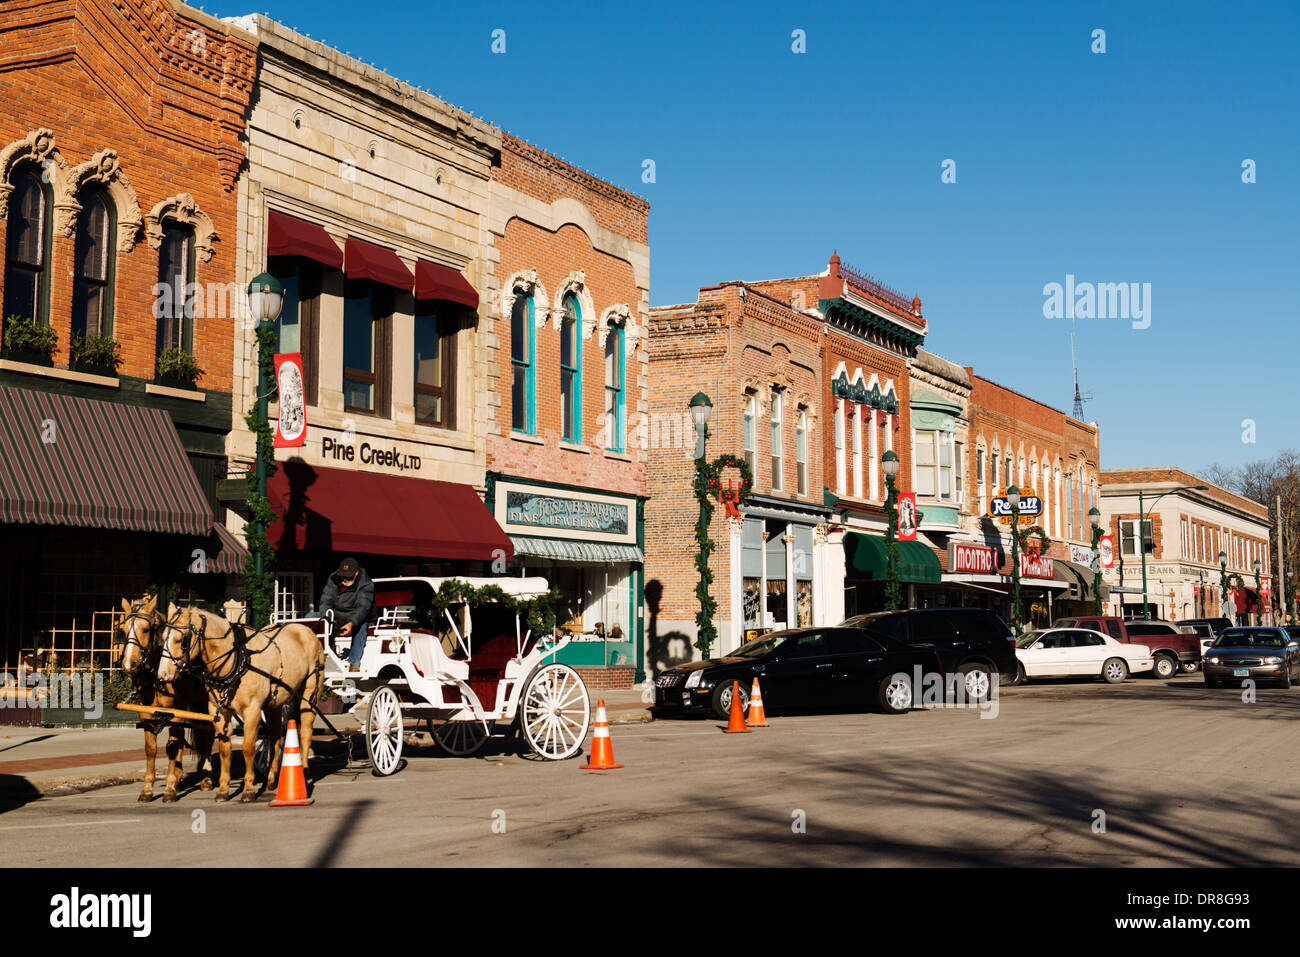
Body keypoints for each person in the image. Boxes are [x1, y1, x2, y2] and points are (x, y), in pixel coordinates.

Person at [319, 557, 374, 672]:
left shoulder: (366, 584)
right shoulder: (333, 579)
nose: (344, 579)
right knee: (310, 618)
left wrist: (351, 623)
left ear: (357, 573)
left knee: (362, 625)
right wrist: (327, 619)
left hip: (356, 615)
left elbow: (363, 608)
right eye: (342, 575)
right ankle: (323, 655)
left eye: (348, 576)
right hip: (336, 614)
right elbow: (326, 600)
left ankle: (354, 663)